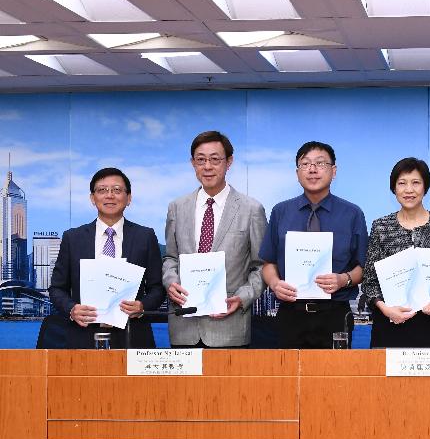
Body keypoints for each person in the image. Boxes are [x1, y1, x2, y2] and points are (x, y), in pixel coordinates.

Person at [162, 130, 267, 348]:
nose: (207, 166)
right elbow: (170, 258)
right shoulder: (176, 208)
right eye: (201, 160)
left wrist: (243, 297)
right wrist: (171, 282)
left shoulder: (251, 209)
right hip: (184, 325)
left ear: (229, 162)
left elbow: (261, 266)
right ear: (193, 163)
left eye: (215, 159)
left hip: (229, 325)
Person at [261, 141, 368, 349]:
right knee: (290, 378)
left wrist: (343, 279)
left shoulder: (352, 214)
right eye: (305, 164)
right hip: (291, 314)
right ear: (297, 172)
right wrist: (274, 284)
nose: (312, 169)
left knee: (334, 379)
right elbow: (268, 262)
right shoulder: (280, 212)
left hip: (335, 314)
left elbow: (362, 268)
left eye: (320, 163)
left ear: (334, 171)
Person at [49, 167, 165, 348]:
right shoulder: (73, 238)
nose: (109, 195)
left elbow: (157, 288)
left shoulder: (145, 236)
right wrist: (72, 309)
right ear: (92, 198)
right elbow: (57, 288)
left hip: (133, 335)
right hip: (83, 335)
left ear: (129, 198)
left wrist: (142, 306)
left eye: (117, 190)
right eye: (102, 190)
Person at [361, 157, 430, 348]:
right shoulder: (381, 226)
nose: (409, 190)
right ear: (394, 188)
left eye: (416, 183)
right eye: (402, 183)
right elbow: (370, 280)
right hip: (389, 322)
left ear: (425, 187)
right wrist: (385, 308)